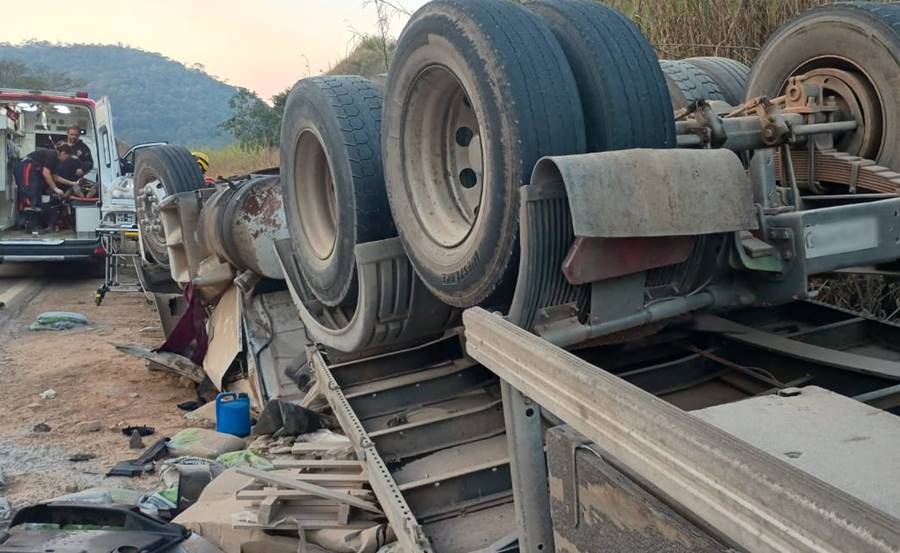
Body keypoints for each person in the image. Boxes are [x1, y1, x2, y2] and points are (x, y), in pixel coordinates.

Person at [14, 145, 74, 229]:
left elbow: (55, 177)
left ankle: (31, 222)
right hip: (26, 166)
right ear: (63, 153)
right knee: (31, 193)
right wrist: (55, 188)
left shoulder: (55, 159)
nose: (66, 160)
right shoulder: (53, 156)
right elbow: (46, 173)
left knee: (37, 192)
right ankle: (29, 223)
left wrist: (72, 183)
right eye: (67, 157)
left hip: (31, 168)